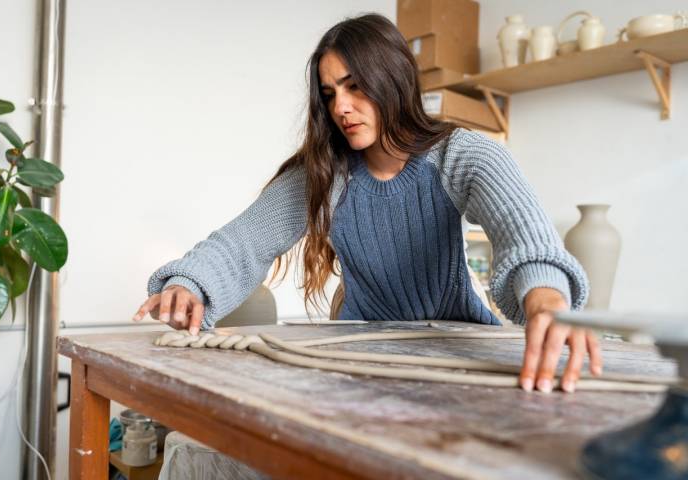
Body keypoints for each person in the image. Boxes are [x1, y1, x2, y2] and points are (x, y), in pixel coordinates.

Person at [134, 14, 601, 394]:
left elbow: (524, 232)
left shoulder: (463, 154)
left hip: (458, 353)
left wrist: (546, 300)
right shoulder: (323, 174)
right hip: (356, 357)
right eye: (330, 93)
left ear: (392, 80)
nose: (341, 106)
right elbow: (243, 242)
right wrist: (189, 283)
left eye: (355, 86)